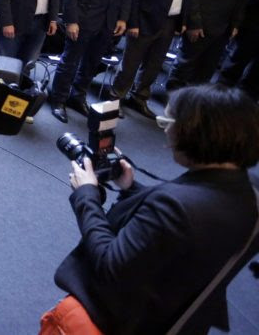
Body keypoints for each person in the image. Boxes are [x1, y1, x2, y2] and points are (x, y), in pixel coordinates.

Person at [41, 85, 259, 335]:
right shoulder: (250, 192)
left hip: (124, 319)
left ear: (194, 134)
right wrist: (131, 188)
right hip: (180, 312)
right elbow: (183, 233)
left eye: (167, 122)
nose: (166, 134)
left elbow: (110, 264)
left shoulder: (175, 206)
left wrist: (86, 195)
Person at [104, 0, 195, 119]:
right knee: (130, 63)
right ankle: (115, 98)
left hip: (171, 21)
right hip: (144, 22)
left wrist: (183, 20)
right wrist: (133, 23)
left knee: (154, 64)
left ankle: (140, 97)